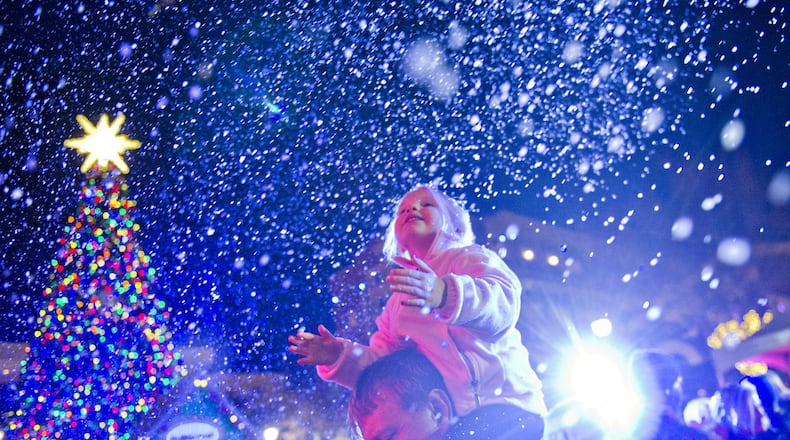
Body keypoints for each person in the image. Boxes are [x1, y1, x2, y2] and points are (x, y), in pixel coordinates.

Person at [288, 184, 546, 439]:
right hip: (454, 420)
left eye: (427, 204)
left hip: (507, 404)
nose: (412, 208)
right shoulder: (398, 301)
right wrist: (339, 357)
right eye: (401, 211)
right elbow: (386, 367)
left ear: (453, 222)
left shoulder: (469, 258)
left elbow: (503, 303)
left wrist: (445, 293)